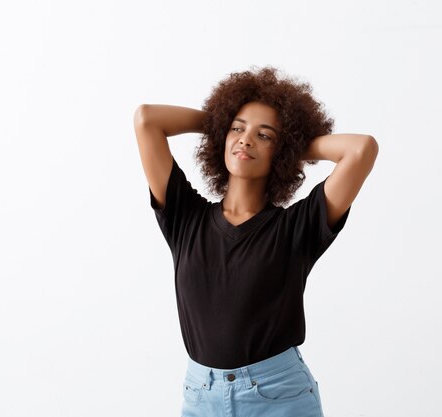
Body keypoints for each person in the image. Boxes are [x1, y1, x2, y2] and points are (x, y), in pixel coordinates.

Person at [133, 66, 378, 417]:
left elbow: (361, 149)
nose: (246, 139)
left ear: (280, 153)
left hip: (278, 394)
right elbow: (147, 120)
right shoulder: (185, 217)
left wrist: (291, 144)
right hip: (201, 395)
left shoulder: (297, 228)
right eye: (238, 129)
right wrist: (221, 123)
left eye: (264, 136)